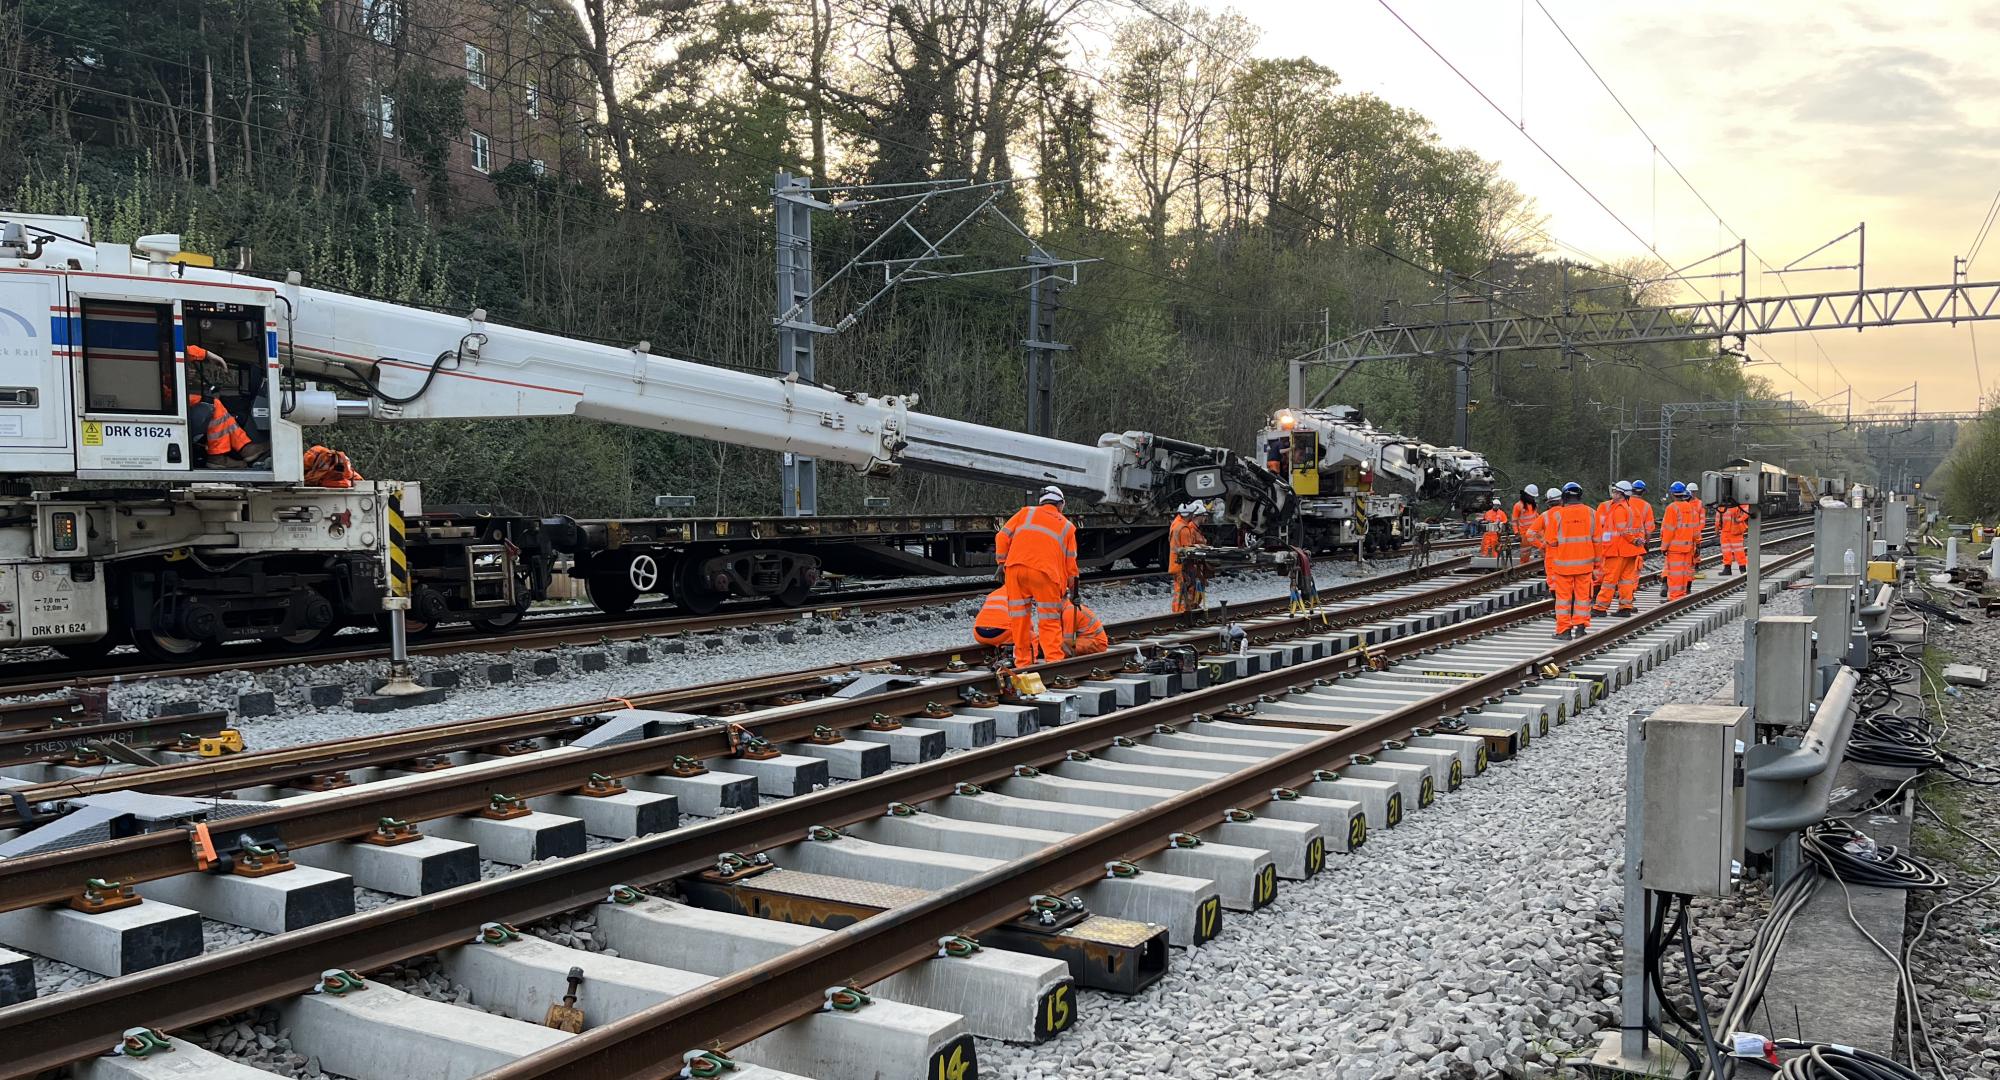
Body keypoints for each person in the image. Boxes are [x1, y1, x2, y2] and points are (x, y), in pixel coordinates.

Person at [996, 485, 1079, 667]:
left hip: (1015, 570)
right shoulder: (1067, 527)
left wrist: (1002, 563)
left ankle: (1023, 663)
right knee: (1049, 620)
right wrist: (1073, 589)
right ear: (1061, 504)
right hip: (1045, 574)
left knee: (1019, 620)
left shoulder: (1025, 513)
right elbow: (1070, 565)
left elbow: (1002, 537)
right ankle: (1054, 662)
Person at [183, 345, 262, 465]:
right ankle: (217, 456)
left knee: (219, 407)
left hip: (169, 396)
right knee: (214, 405)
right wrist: (207, 354)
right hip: (169, 399)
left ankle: (245, 447)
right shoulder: (164, 345)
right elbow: (179, 348)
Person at [1542, 482, 1598, 638]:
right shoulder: (1592, 513)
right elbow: (1598, 540)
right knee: (1582, 598)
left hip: (1563, 566)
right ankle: (1580, 627)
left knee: (1563, 600)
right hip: (1585, 565)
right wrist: (1598, 563)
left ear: (1564, 497)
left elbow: (1551, 541)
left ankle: (1564, 631)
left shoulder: (1557, 515)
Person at [1593, 480, 1645, 616]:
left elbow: (1623, 530)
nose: (1613, 494)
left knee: (1609, 580)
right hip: (1631, 551)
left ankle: (1600, 608)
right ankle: (1625, 607)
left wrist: (1634, 540)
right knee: (1626, 580)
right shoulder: (1633, 509)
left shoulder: (1619, 509)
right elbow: (1640, 529)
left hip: (1617, 551)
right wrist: (1638, 541)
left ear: (1621, 494)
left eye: (1615, 492)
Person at [1659, 481, 1706, 599]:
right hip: (1688, 546)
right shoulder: (1691, 508)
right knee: (1685, 572)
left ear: (1672, 494)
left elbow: (1669, 530)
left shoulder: (1672, 508)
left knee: (1675, 573)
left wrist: (1664, 547)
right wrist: (1697, 543)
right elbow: (1695, 529)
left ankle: (1675, 597)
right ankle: (1682, 595)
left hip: (1675, 548)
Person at [1168, 501, 1209, 614]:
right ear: (1189, 514)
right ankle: (1180, 613)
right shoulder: (1184, 529)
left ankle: (1182, 611)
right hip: (1181, 565)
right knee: (1182, 590)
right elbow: (1187, 550)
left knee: (1181, 589)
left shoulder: (1176, 523)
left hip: (1176, 564)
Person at [1627, 479, 1656, 599]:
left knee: (1622, 568)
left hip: (1624, 539)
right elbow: (1649, 528)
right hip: (1638, 542)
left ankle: (1622, 591)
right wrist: (1647, 543)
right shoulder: (1646, 506)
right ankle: (1630, 591)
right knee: (1635, 567)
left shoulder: (1625, 502)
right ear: (1643, 492)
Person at [1511, 485, 1544, 566]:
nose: (1532, 498)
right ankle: (1524, 569)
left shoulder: (1534, 505)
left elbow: (1536, 515)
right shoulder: (1518, 506)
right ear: (1526, 495)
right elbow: (1514, 521)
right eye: (1531, 496)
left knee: (1544, 547)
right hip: (1524, 533)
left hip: (1536, 530)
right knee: (1525, 552)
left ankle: (1545, 565)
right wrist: (1516, 533)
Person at [1718, 500, 1751, 576]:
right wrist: (1717, 527)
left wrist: (1740, 519)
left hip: (1735, 531)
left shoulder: (1739, 501)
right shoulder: (1722, 503)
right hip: (1725, 531)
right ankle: (1727, 569)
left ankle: (1742, 569)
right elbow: (1718, 515)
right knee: (1726, 551)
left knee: (1739, 551)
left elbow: (1748, 510)